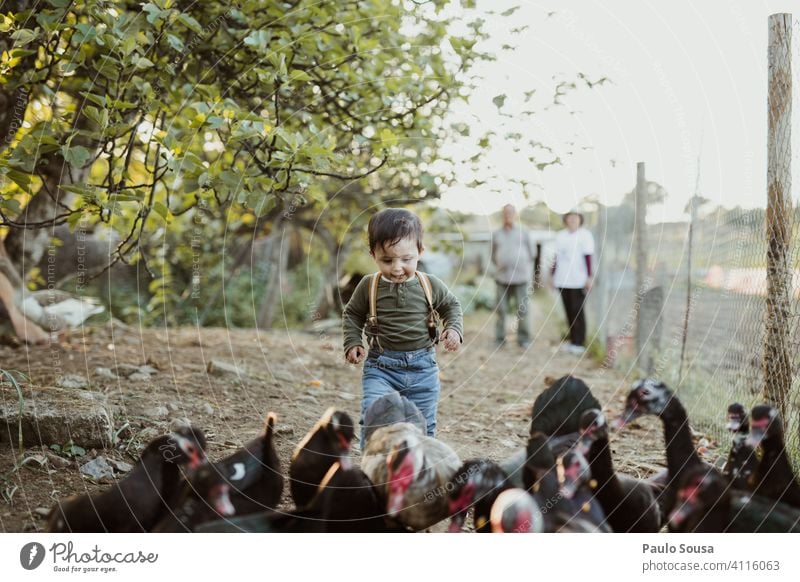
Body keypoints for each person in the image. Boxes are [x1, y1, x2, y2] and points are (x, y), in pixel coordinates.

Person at [342, 208, 463, 446]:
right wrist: (353, 341)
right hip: (381, 367)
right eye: (387, 260)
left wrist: (454, 329)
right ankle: (372, 469)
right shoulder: (369, 285)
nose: (397, 268)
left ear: (420, 251)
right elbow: (353, 314)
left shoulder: (429, 284)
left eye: (406, 259)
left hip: (423, 369)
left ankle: (420, 472)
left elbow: (451, 306)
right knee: (374, 416)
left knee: (424, 426)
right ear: (373, 254)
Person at [491, 204, 536, 349]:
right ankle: (499, 339)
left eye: (510, 212)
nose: (508, 215)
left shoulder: (525, 232)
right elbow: (492, 255)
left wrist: (520, 263)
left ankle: (523, 339)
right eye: (505, 213)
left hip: (520, 278)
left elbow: (532, 253)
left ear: (515, 214)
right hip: (501, 278)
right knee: (501, 309)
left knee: (522, 309)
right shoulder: (496, 233)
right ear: (502, 215)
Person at [551, 208, 595, 355]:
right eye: (570, 217)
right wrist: (552, 276)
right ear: (565, 220)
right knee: (568, 311)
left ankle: (580, 342)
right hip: (562, 280)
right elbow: (555, 258)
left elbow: (588, 257)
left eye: (575, 218)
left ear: (580, 220)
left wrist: (589, 277)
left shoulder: (585, 235)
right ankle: (572, 341)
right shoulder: (560, 236)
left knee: (578, 312)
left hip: (578, 280)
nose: (572, 220)